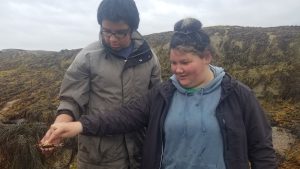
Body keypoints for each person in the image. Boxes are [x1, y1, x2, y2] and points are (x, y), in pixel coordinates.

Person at [42, 18, 277, 169]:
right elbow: (124, 117)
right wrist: (76, 126)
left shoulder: (237, 95)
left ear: (207, 57)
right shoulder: (164, 94)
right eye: (173, 62)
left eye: (185, 62)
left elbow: (262, 149)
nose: (177, 70)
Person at [40, 0, 161, 168]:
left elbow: (156, 103)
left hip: (139, 153)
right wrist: (60, 125)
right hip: (98, 158)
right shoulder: (88, 57)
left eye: (120, 33)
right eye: (106, 31)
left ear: (132, 28)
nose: (112, 39)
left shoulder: (148, 58)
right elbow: (71, 101)